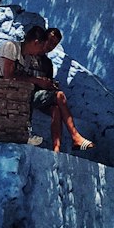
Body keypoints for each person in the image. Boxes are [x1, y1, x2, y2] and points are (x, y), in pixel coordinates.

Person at [20, 26, 94, 155]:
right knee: (59, 96)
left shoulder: (47, 63)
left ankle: (56, 149)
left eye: (55, 44)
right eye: (50, 41)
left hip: (38, 96)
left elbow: (46, 84)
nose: (51, 46)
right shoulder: (28, 53)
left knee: (56, 107)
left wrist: (50, 85)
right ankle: (75, 136)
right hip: (24, 93)